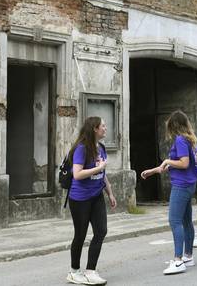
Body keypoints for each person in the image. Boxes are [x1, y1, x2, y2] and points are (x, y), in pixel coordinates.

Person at [140, 110, 197, 275]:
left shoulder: (180, 140)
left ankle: (178, 260)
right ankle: (188, 255)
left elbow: (184, 163)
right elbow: (174, 164)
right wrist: (152, 171)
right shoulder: (187, 140)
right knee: (186, 221)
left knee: (174, 221)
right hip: (188, 184)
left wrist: (166, 160)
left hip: (181, 185)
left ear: (173, 125)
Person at [66, 116, 116, 286]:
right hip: (80, 199)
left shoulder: (101, 147)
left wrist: (110, 193)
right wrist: (99, 167)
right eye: (103, 126)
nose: (105, 128)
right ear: (95, 129)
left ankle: (90, 271)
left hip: (96, 196)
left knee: (101, 231)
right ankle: (74, 271)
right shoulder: (81, 149)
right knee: (80, 235)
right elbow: (77, 174)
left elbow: (103, 174)